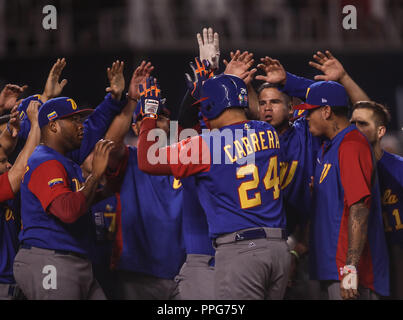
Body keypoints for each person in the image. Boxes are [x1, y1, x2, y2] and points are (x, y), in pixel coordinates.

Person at [137, 74, 291, 300]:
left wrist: (149, 114)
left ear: (212, 106)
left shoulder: (208, 145)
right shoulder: (267, 131)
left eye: (204, 106)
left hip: (242, 252)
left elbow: (148, 160)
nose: (202, 113)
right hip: (279, 250)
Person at [288, 80, 389, 300]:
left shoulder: (351, 144)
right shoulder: (329, 146)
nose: (306, 117)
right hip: (331, 269)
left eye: (310, 112)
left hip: (350, 273)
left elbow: (360, 208)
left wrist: (350, 268)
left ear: (326, 111)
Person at [94, 62, 186, 300]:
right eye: (149, 117)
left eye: (162, 117)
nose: (157, 122)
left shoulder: (187, 158)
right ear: (136, 127)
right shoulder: (129, 158)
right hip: (139, 270)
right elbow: (108, 147)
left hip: (187, 268)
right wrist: (133, 101)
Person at [13, 96, 115, 300]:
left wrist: (103, 188)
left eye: (81, 120)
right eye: (74, 120)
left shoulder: (62, 161)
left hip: (70, 259)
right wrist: (94, 175)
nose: (82, 126)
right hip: (49, 258)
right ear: (53, 126)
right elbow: (67, 212)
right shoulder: (45, 161)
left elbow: (77, 203)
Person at [350, 101, 403, 299]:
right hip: (363, 257)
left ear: (381, 131)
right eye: (352, 123)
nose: (355, 130)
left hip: (396, 254)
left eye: (362, 124)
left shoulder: (398, 168)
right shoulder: (344, 168)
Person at [0, 100, 41, 300]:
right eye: (2, 162)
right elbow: (20, 167)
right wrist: (35, 125)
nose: (8, 164)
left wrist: (10, 129)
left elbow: (4, 149)